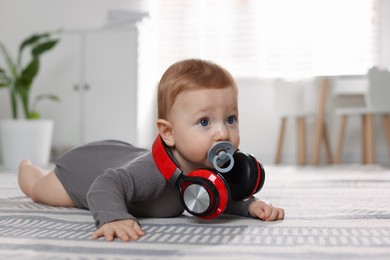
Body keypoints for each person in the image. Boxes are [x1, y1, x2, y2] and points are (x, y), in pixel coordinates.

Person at [18, 59, 285, 242]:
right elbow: (104, 185)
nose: (223, 133)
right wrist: (113, 217)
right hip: (81, 171)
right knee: (40, 190)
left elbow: (218, 196)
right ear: (168, 132)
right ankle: (29, 170)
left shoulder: (207, 162)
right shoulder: (152, 172)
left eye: (230, 119)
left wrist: (250, 206)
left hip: (121, 155)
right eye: (204, 122)